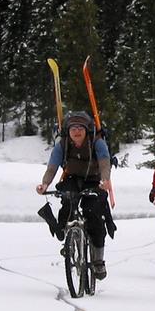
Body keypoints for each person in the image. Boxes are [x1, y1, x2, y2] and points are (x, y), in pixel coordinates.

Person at [36, 111, 114, 280]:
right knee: (67, 201)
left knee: (93, 213)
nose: (77, 131)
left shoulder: (97, 143)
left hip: (93, 180)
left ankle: (98, 259)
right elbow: (52, 167)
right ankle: (69, 237)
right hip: (72, 178)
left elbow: (104, 162)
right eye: (73, 128)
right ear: (68, 131)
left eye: (80, 128)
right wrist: (44, 184)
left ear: (86, 130)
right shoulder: (62, 145)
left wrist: (105, 180)